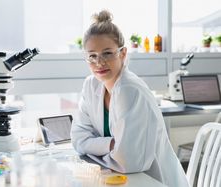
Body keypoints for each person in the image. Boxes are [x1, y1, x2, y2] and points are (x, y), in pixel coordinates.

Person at [71, 10, 189, 187]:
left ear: (123, 53)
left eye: (107, 53)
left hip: (153, 181)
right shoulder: (91, 85)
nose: (99, 62)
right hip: (121, 178)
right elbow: (78, 139)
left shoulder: (129, 90)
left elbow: (128, 162)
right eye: (92, 55)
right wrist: (112, 144)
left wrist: (96, 146)